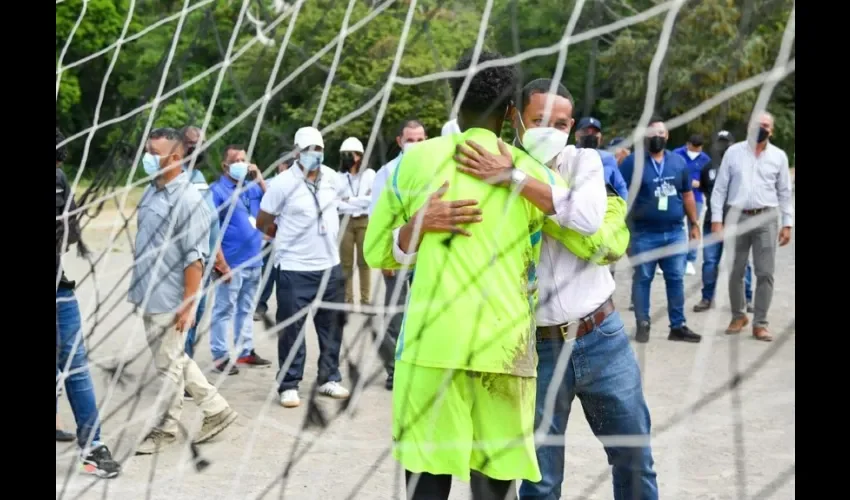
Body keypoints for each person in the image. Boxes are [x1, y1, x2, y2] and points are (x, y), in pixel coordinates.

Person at [365, 50, 576, 500]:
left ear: (454, 102)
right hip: (505, 349)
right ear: (514, 113)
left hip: (430, 347)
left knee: (426, 484)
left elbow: (376, 250)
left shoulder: (412, 164)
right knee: (494, 489)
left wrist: (415, 227)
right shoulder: (535, 177)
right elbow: (592, 235)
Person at [453, 79, 657, 500]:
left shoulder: (584, 163)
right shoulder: (484, 168)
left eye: (561, 122)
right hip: (536, 349)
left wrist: (513, 178)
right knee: (541, 481)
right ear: (514, 117)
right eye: (540, 120)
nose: (552, 129)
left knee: (634, 459)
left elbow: (584, 219)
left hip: (601, 338)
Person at [129, 128, 238, 454]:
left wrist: (189, 305)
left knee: (168, 365)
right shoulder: (153, 190)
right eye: (147, 150)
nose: (148, 158)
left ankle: (166, 429)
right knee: (173, 357)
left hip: (171, 296)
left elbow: (195, 259)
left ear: (175, 158)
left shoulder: (190, 199)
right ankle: (216, 409)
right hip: (149, 291)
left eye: (154, 152)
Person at [255, 126, 351, 408]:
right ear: (297, 152)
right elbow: (263, 220)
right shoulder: (283, 183)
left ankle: (329, 378)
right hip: (295, 268)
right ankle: (289, 384)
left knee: (331, 327)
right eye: (308, 150)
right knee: (292, 329)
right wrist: (284, 235)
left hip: (330, 266)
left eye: (318, 149)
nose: (314, 155)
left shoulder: (333, 178)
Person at [56, 128, 122, 477]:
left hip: (59, 289)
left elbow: (71, 230)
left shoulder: (59, 178)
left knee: (76, 367)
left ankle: (93, 447)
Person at [710, 111, 793, 342]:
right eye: (758, 124)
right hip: (736, 216)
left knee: (765, 272)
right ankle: (738, 315)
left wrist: (788, 223)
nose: (762, 128)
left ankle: (760, 323)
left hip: (766, 217)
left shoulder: (778, 156)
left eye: (766, 125)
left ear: (771, 130)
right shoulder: (733, 153)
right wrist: (716, 220)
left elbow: (785, 193)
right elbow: (720, 188)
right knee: (736, 270)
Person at [620, 117, 702, 344]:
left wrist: (694, 224)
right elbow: (619, 196)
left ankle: (678, 326)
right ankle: (642, 324)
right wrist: (622, 232)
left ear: (667, 137)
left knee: (676, 278)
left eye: (661, 133)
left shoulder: (677, 162)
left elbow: (687, 195)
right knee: (643, 278)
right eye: (652, 133)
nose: (657, 137)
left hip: (675, 231)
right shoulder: (632, 163)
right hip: (643, 233)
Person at [367, 119, 427, 390]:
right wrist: (384, 257)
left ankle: (421, 365)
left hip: (427, 254)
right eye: (410, 140)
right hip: (397, 251)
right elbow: (376, 216)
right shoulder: (387, 172)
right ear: (400, 142)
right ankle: (394, 369)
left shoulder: (436, 168)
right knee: (395, 314)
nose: (416, 144)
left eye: (420, 139)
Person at [208, 145, 272, 370]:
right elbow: (210, 229)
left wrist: (260, 177)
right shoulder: (217, 191)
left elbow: (273, 201)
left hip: (255, 260)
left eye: (244, 160)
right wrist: (220, 263)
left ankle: (245, 351)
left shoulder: (252, 188)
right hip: (231, 263)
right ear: (225, 166)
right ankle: (220, 355)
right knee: (223, 310)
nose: (241, 164)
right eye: (236, 160)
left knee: (245, 309)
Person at [179, 126, 233, 378]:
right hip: (180, 267)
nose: (197, 148)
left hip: (202, 265)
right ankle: (183, 375)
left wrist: (220, 262)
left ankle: (184, 369)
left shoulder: (198, 178)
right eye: (192, 143)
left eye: (201, 143)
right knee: (182, 321)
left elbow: (212, 224)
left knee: (194, 319)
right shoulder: (171, 179)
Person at [693, 131, 753, 313]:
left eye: (727, 142)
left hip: (737, 221)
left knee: (742, 262)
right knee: (710, 262)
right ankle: (706, 298)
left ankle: (747, 299)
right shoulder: (707, 168)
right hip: (713, 223)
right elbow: (705, 191)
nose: (724, 146)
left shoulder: (744, 166)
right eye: (721, 142)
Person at [337, 137, 376, 306]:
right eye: (344, 154)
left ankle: (365, 300)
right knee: (345, 263)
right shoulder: (338, 177)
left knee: (364, 262)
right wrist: (360, 199)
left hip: (364, 221)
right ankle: (347, 299)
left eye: (350, 154)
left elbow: (372, 199)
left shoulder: (370, 174)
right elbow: (336, 202)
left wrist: (349, 200)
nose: (347, 157)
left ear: (359, 156)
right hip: (345, 222)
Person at [255, 159, 291, 321]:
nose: (289, 167)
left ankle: (285, 310)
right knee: (267, 275)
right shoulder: (270, 183)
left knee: (286, 276)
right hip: (270, 237)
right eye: (287, 164)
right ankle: (260, 305)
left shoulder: (296, 184)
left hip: (288, 238)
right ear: (280, 165)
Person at [673, 134, 711, 275]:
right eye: (693, 148)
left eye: (698, 148)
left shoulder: (705, 159)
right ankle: (669, 258)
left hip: (696, 197)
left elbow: (708, 180)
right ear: (687, 144)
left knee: (693, 226)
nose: (695, 151)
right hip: (677, 195)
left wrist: (699, 183)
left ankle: (690, 260)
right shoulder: (676, 154)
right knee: (673, 226)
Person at [575, 116, 628, 200]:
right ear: (576, 135)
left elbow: (620, 186)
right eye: (586, 131)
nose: (590, 135)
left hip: (601, 208)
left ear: (600, 137)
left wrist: (621, 208)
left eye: (595, 132)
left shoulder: (607, 158)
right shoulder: (567, 155)